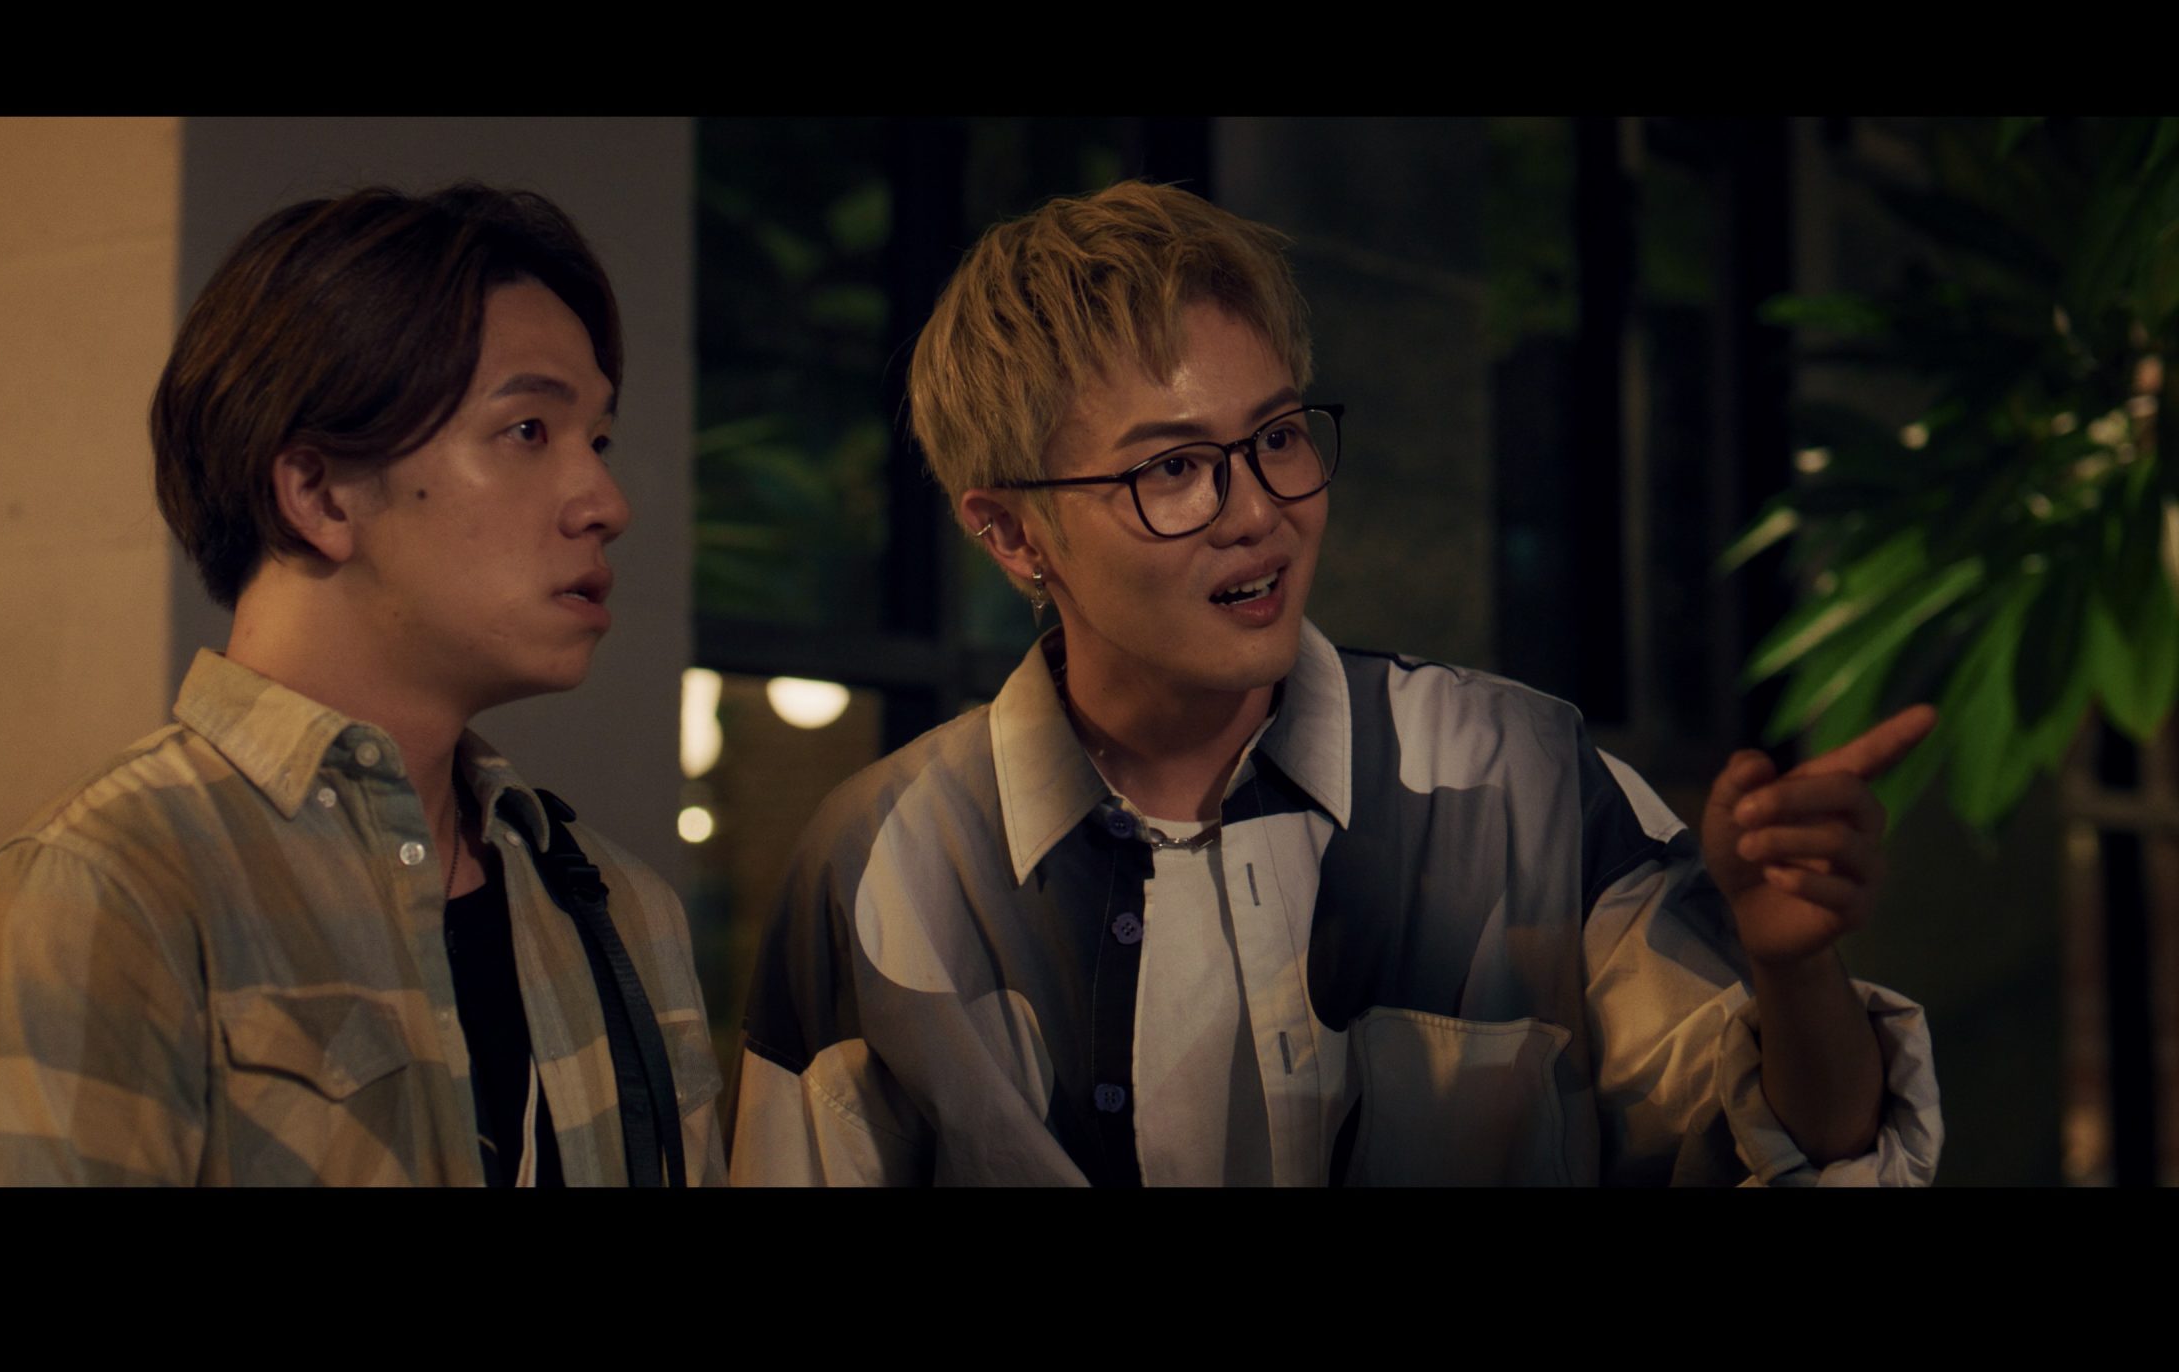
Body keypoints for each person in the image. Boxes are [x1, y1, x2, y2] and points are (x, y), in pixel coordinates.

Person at [730, 181, 1942, 1186]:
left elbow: (1804, 1154)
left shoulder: (1519, 781)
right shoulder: (886, 865)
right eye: (1173, 469)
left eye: (1277, 437)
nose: (1257, 512)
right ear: (1009, 534)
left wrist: (1792, 975)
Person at [0, 182, 725, 1186]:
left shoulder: (619, 908)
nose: (605, 501)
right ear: (318, 492)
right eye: (526, 432)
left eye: (595, 441)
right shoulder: (112, 890)